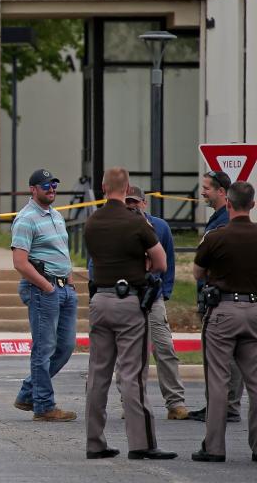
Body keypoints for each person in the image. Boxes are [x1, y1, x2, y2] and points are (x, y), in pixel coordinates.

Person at [84, 166, 176, 460]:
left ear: (102, 186)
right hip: (129, 303)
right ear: (126, 190)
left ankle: (95, 442)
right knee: (132, 375)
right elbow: (160, 262)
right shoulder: (136, 223)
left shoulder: (91, 222)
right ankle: (141, 443)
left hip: (100, 300)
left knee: (98, 374)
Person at [191, 180, 257, 463]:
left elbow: (197, 273)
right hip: (255, 310)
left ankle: (214, 447)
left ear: (228, 203)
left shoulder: (216, 237)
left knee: (218, 380)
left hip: (224, 310)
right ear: (252, 205)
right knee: (255, 382)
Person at [10, 168, 78, 421]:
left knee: (65, 347)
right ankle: (43, 406)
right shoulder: (26, 219)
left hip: (64, 288)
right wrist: (46, 286)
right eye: (46, 186)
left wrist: (69, 282)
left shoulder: (56, 216)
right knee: (44, 348)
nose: (51, 190)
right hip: (44, 289)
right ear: (33, 189)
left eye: (54, 186)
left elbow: (62, 251)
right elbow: (20, 261)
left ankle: (29, 392)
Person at [121, 186, 189, 420]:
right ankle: (130, 403)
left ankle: (175, 403)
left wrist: (165, 292)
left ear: (144, 203)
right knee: (129, 354)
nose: (131, 206)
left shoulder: (160, 227)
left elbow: (168, 260)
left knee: (165, 349)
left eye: (135, 202)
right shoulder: (115, 228)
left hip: (153, 296)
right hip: (126, 296)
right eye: (127, 202)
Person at [189, 169, 243, 424]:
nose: (203, 192)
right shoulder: (219, 220)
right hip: (225, 298)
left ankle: (225, 407)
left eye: (207, 188)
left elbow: (202, 267)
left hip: (221, 299)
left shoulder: (223, 225)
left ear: (222, 192)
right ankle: (223, 405)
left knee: (222, 357)